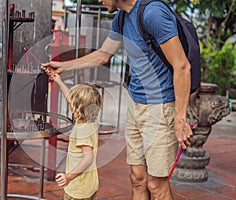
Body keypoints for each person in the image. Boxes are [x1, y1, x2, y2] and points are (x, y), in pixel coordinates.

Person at [42, 0, 193, 199]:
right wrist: (64, 66)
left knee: (156, 185)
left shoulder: (153, 13)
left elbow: (182, 66)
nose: (99, 0)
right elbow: (103, 55)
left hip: (161, 106)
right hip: (136, 102)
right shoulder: (121, 17)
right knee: (137, 178)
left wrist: (180, 118)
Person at [48, 72, 102, 200]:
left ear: (76, 108)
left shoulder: (83, 130)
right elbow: (71, 99)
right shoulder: (89, 120)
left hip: (78, 187)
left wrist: (69, 177)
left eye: (72, 103)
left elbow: (88, 158)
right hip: (89, 184)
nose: (69, 103)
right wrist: (59, 80)